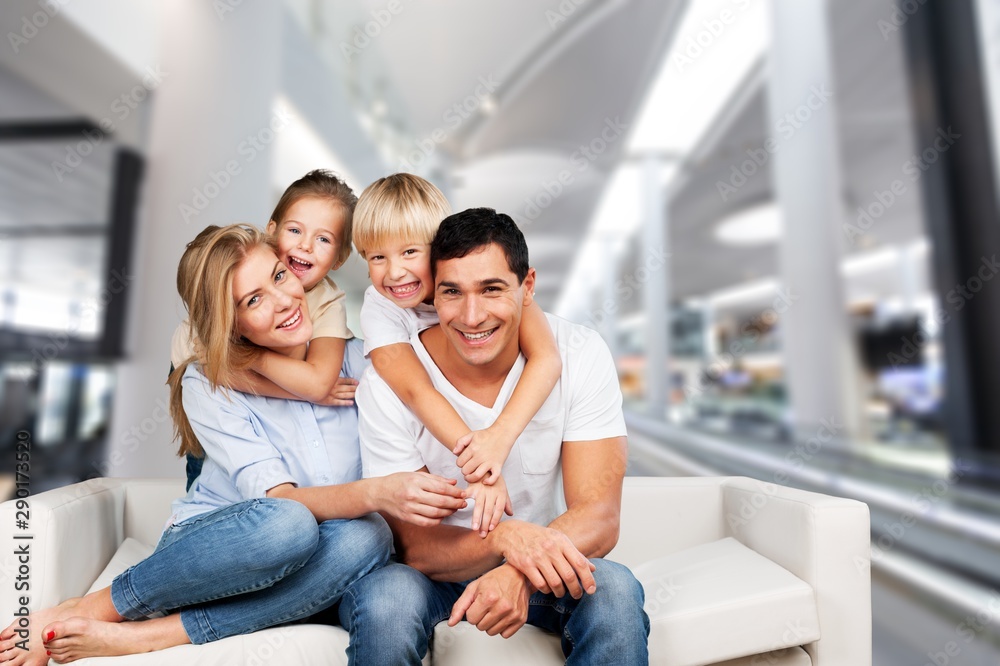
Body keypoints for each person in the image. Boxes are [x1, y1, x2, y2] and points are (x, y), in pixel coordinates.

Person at [0, 224, 467, 665]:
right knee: (289, 524)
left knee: (369, 537)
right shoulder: (208, 382)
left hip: (328, 562)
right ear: (232, 323)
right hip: (223, 551)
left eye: (280, 276)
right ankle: (93, 607)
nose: (285, 300)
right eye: (254, 299)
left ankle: (153, 635)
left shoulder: (365, 361)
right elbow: (282, 503)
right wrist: (376, 492)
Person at [340, 208, 650, 665]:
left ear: (527, 288)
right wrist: (505, 541)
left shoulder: (578, 352)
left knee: (614, 588)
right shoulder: (389, 381)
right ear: (431, 291)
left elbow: (599, 516)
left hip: (539, 567)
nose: (472, 315)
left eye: (491, 289)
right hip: (432, 577)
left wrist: (519, 571)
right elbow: (415, 547)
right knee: (386, 598)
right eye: (452, 292)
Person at [352, 174, 563, 536]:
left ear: (438, 249)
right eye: (377, 257)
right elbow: (416, 390)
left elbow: (547, 359)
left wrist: (499, 437)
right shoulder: (380, 308)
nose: (395, 271)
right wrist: (481, 466)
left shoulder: (488, 281)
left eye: (409, 252)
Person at [172, 169, 360, 488]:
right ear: (272, 231)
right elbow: (209, 372)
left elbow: (317, 383)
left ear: (340, 258)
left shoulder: (327, 301)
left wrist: (252, 359)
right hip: (215, 411)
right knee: (208, 475)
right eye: (295, 230)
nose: (305, 246)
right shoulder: (221, 299)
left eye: (324, 239)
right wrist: (302, 392)